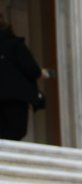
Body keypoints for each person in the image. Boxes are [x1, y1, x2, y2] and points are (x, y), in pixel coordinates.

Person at [0, 10, 41, 141]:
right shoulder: (14, 44)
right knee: (15, 131)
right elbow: (32, 69)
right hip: (15, 96)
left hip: (12, 95)